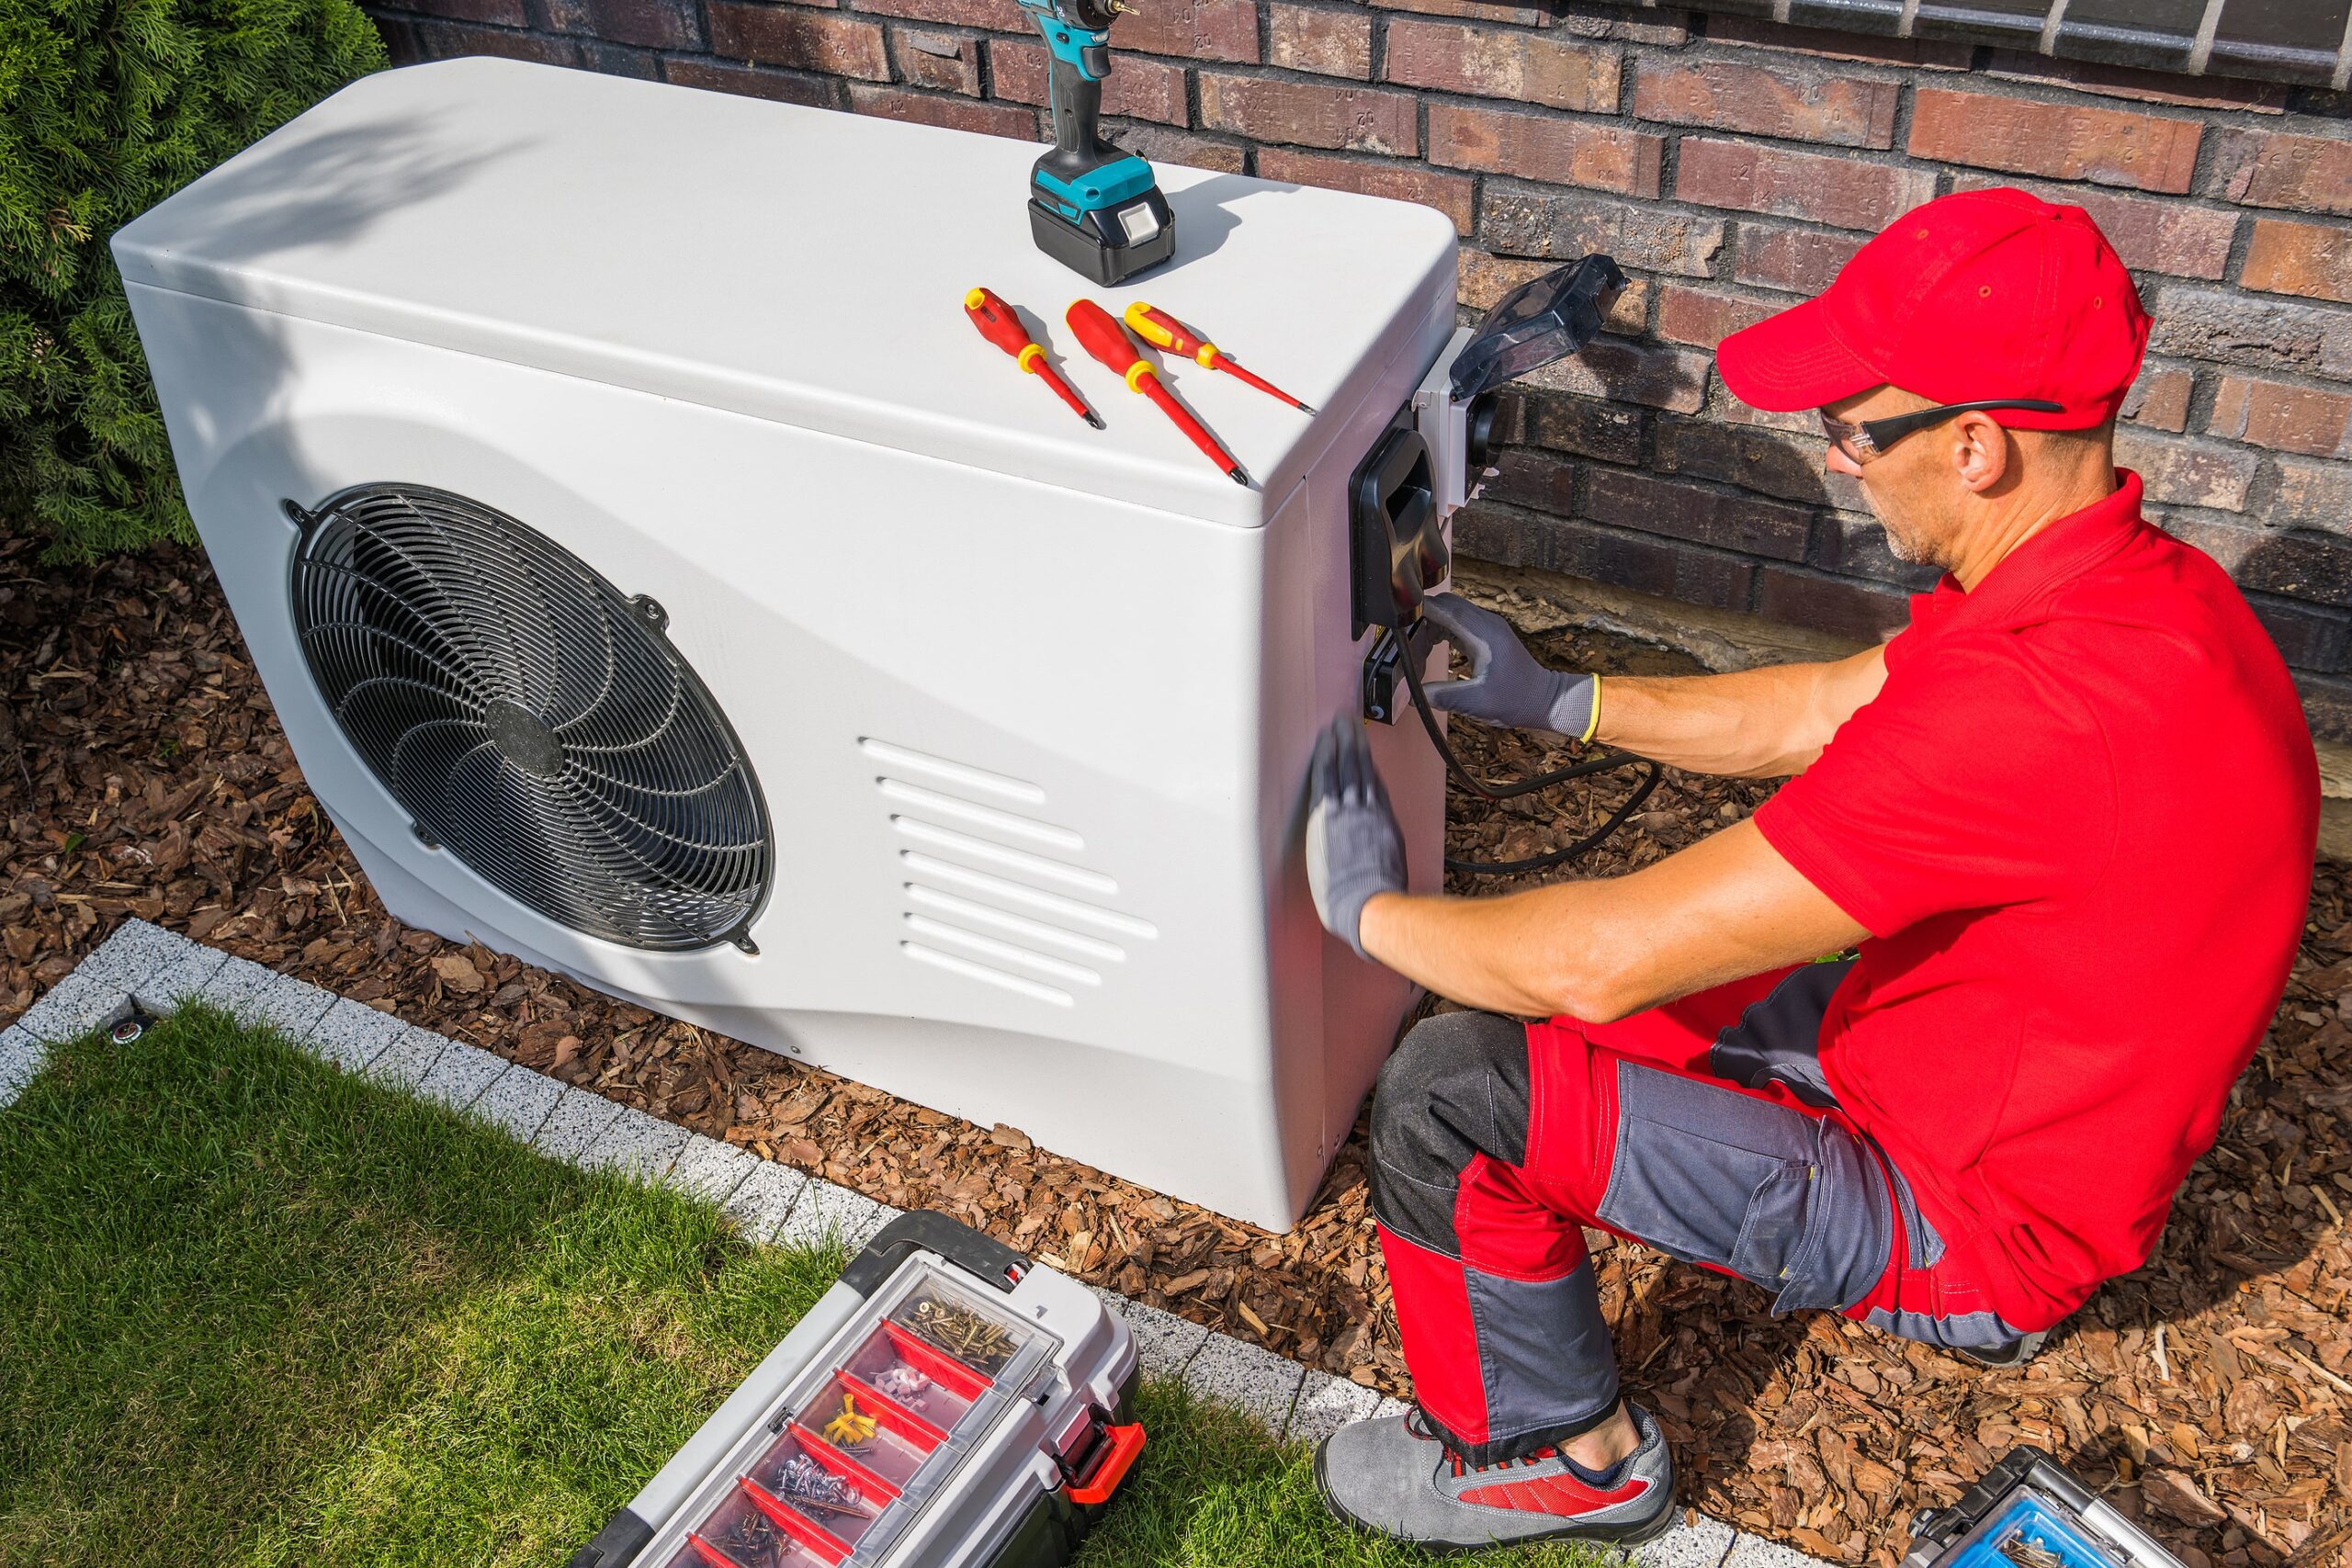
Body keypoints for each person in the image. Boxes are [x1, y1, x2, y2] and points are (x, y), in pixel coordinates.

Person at [1299, 186, 2320, 1552]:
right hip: (1980, 1080)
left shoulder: (2036, 714)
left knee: (1449, 1090)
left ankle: (1556, 1459)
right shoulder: (2136, 594)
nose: (1837, 461)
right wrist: (1567, 702)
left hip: (1969, 1218)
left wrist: (1363, 911)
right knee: (1546, 1016)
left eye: (1852, 428)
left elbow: (1593, 961)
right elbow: (1828, 706)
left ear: (1974, 448)